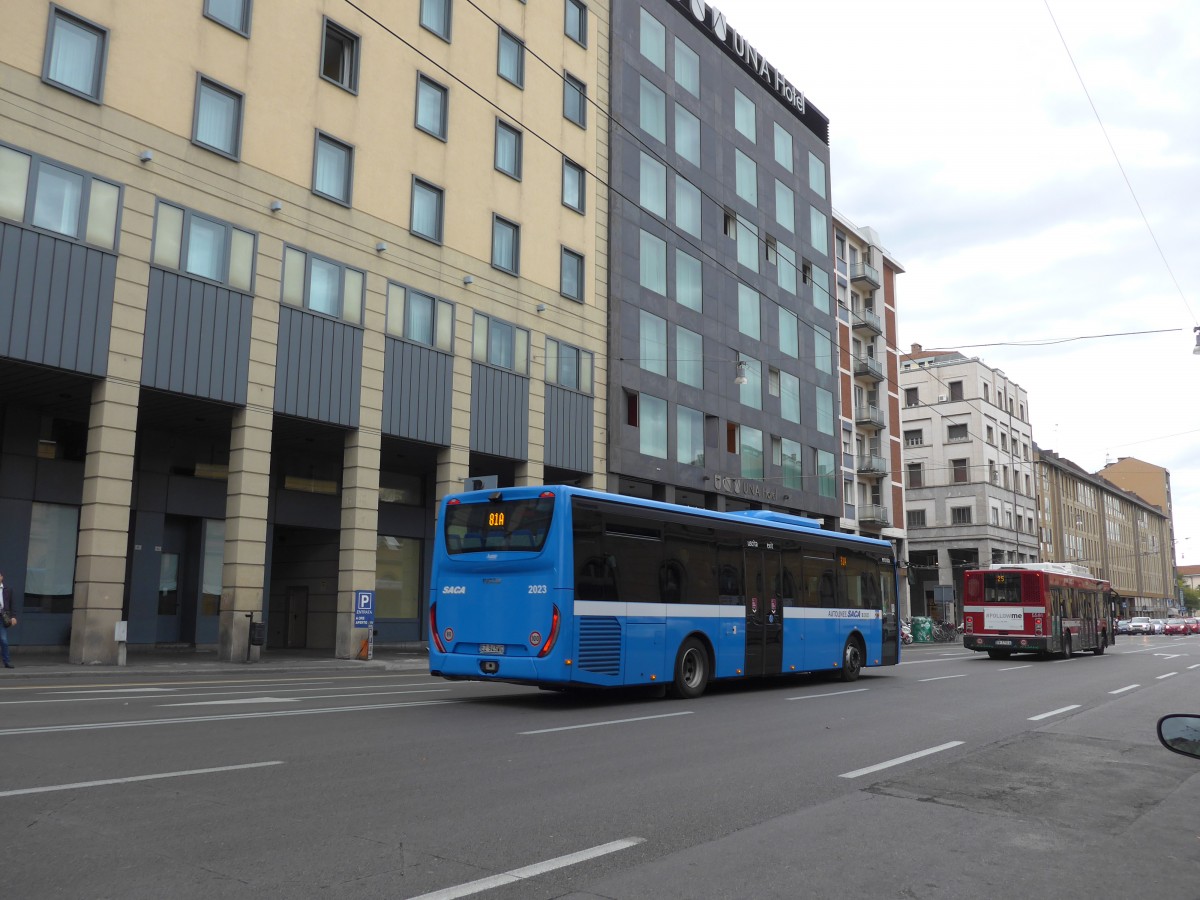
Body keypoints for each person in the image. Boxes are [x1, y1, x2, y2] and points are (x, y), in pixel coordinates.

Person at [0, 571, 16, 668]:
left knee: (4, 640)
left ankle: (7, 662)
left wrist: (13, 616)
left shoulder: (8, 590)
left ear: (2, 577)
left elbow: (12, 604)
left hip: (2, 617)